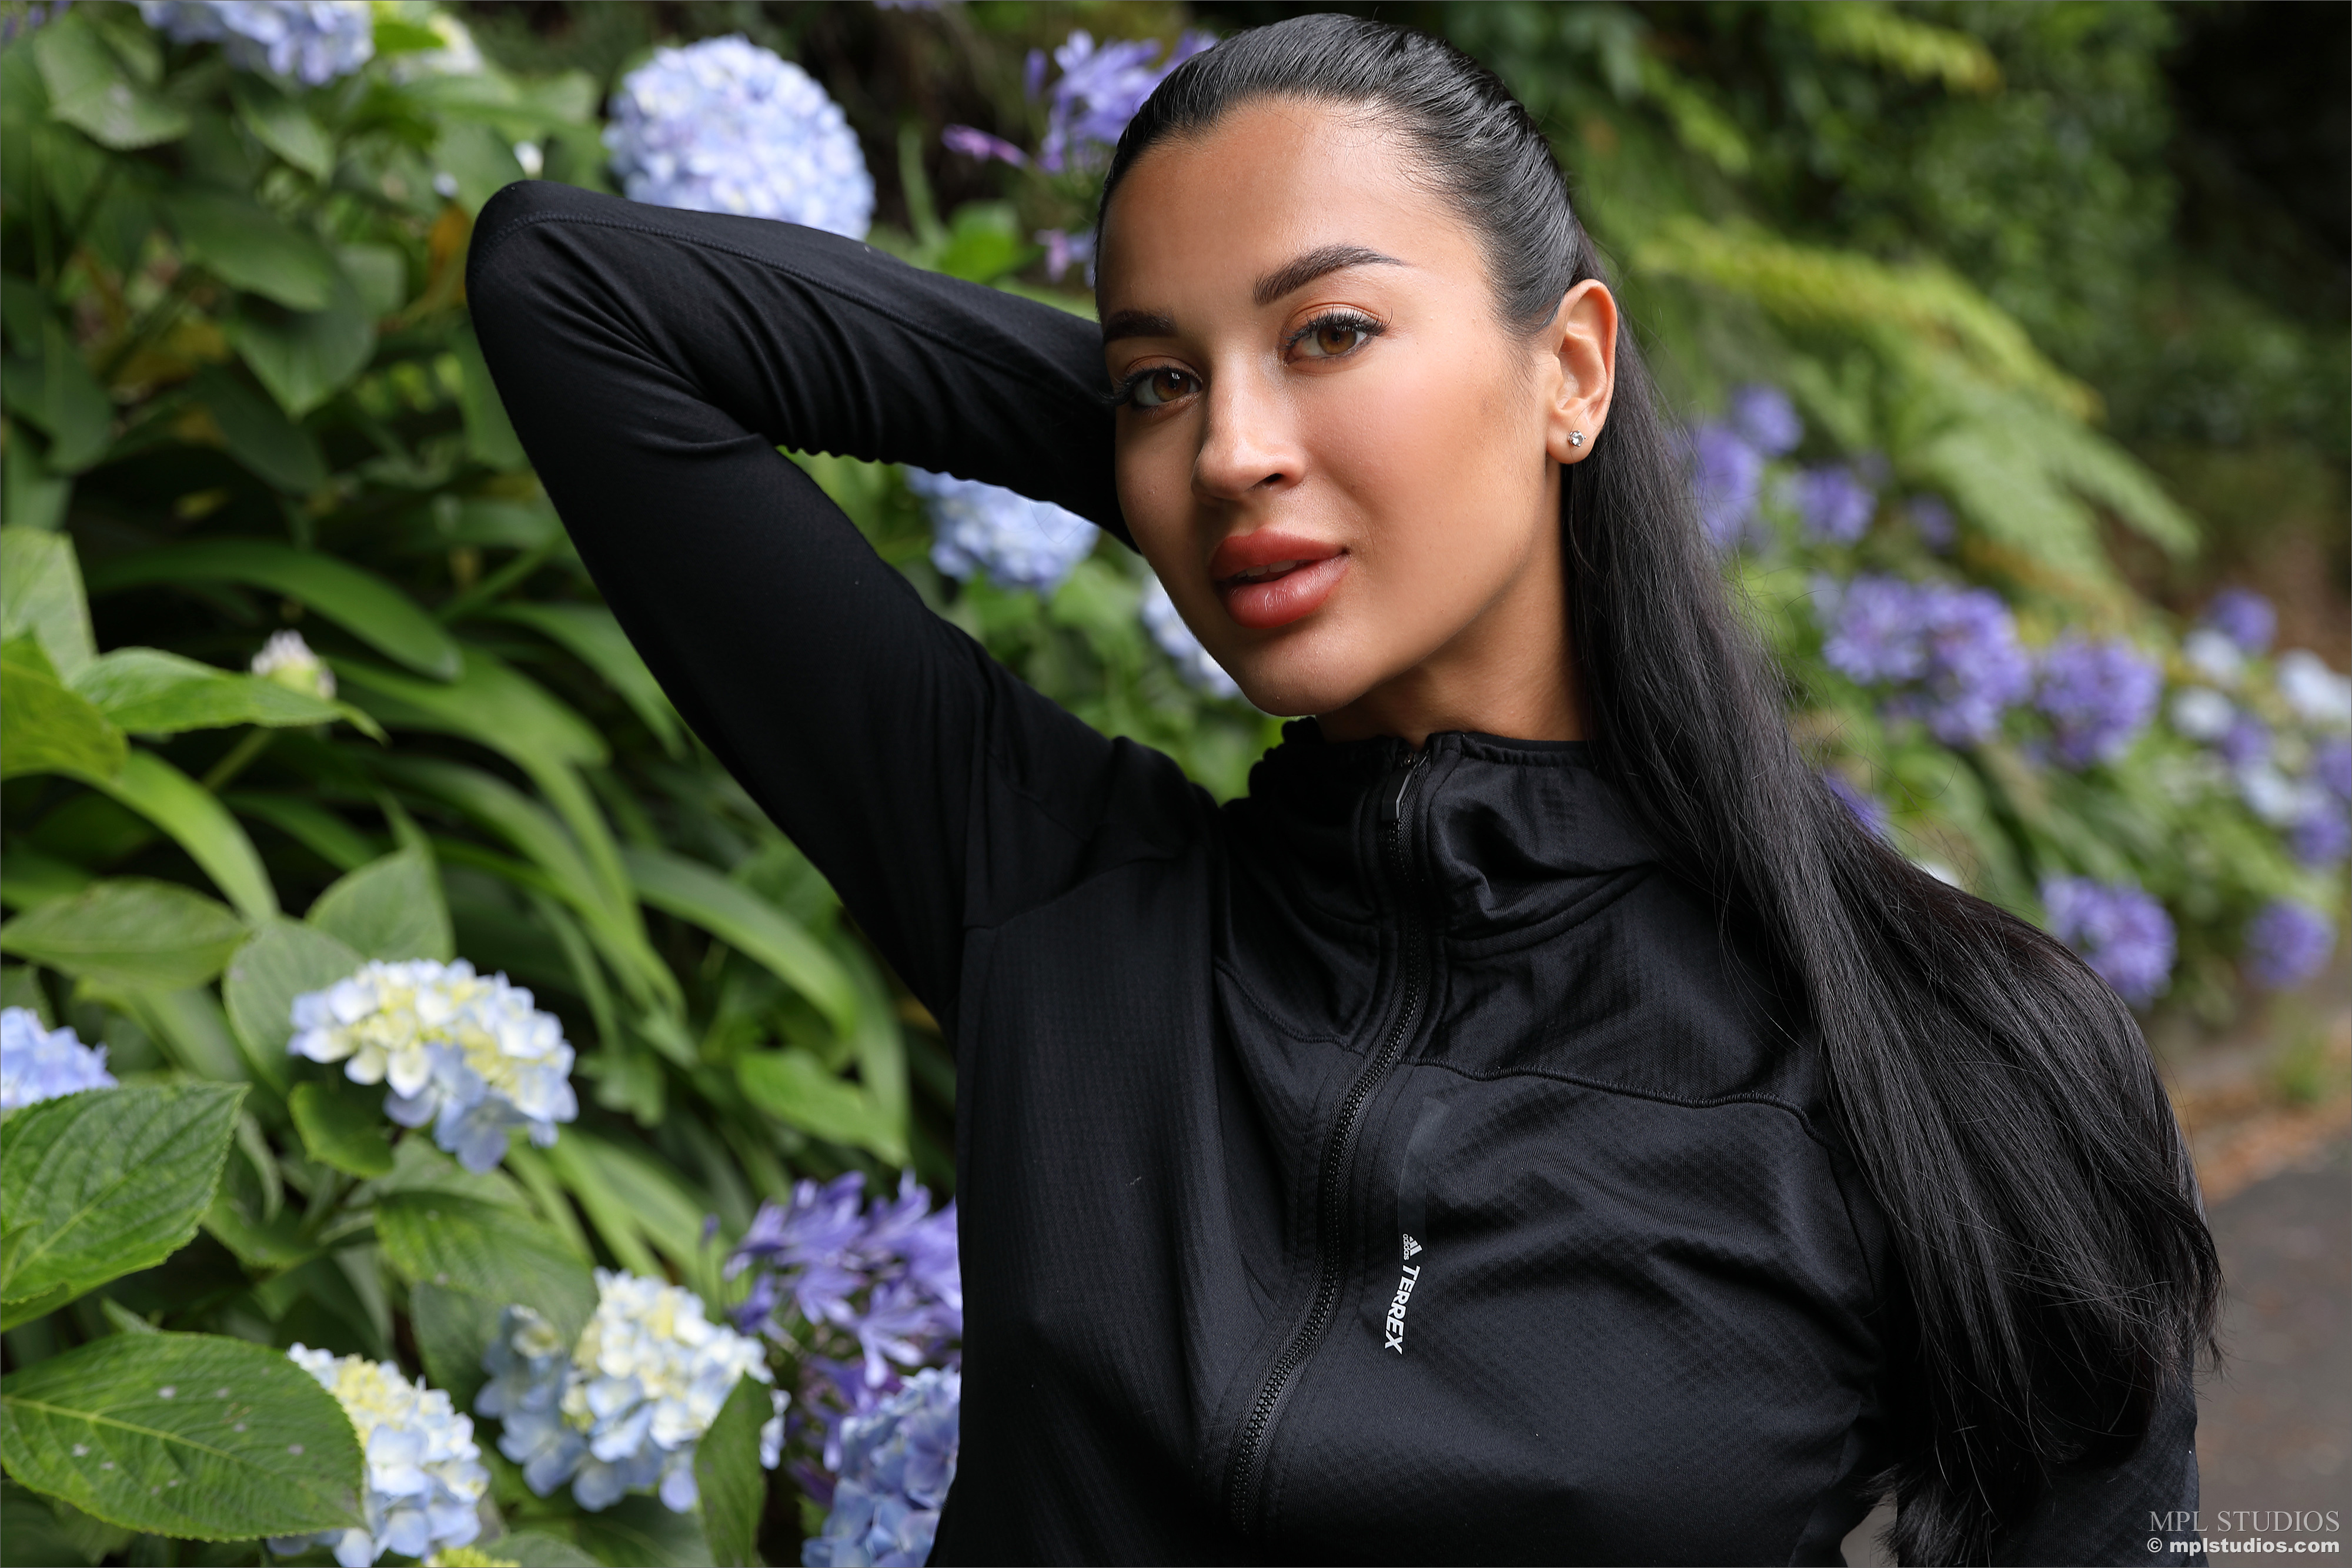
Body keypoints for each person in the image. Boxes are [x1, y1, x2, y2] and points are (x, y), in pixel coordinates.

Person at [468, 14, 2216, 1564]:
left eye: (1333, 330)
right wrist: (1183, 465)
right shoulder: (1055, 896)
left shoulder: (1934, 1050)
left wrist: (1241, 447)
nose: (1233, 445)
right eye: (1159, 378)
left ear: (1572, 368)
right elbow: (572, 294)